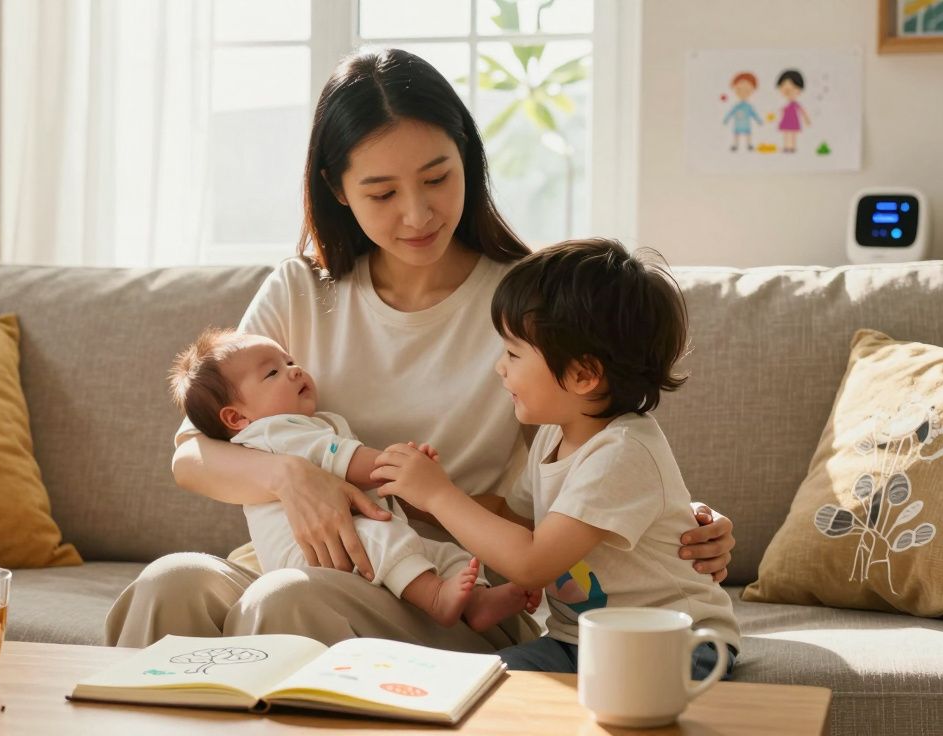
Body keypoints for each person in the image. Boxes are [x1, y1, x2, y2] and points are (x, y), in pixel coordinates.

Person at [105, 48, 736, 653]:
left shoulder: (524, 307)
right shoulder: (301, 291)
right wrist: (291, 476)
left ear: (468, 156)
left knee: (287, 601)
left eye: (437, 178)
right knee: (171, 584)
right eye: (382, 193)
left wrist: (684, 521)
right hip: (289, 562)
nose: (417, 214)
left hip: (445, 589)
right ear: (338, 189)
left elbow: (603, 441)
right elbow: (193, 455)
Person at [372, 239, 740, 676]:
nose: (499, 368)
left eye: (513, 353)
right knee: (483, 684)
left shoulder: (622, 452)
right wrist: (414, 495)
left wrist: (439, 496)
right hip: (577, 641)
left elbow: (530, 563)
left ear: (583, 374)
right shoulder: (554, 436)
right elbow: (512, 518)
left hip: (678, 642)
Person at [167, 327, 540, 630]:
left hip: (347, 547)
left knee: (441, 552)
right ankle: (435, 597)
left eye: (290, 361)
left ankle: (473, 600)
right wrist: (401, 466)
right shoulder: (274, 432)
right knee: (382, 538)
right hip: (313, 551)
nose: (294, 370)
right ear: (235, 419)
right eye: (273, 372)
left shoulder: (304, 424)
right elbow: (348, 462)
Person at [722, 71, 761, 152]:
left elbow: (754, 114)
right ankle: (735, 145)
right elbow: (730, 113)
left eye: (747, 90)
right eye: (739, 89)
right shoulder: (737, 106)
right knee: (736, 134)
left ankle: (749, 145)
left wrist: (759, 120)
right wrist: (726, 119)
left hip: (746, 124)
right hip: (738, 124)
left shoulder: (748, 106)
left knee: (748, 134)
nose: (743, 92)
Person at [776, 69, 810, 153]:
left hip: (793, 121)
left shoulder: (796, 104)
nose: (788, 92)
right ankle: (786, 146)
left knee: (792, 134)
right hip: (786, 121)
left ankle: (792, 147)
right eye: (785, 90)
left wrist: (806, 119)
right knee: (786, 134)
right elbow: (782, 111)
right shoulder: (786, 104)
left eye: (791, 89)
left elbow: (802, 111)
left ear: (798, 90)